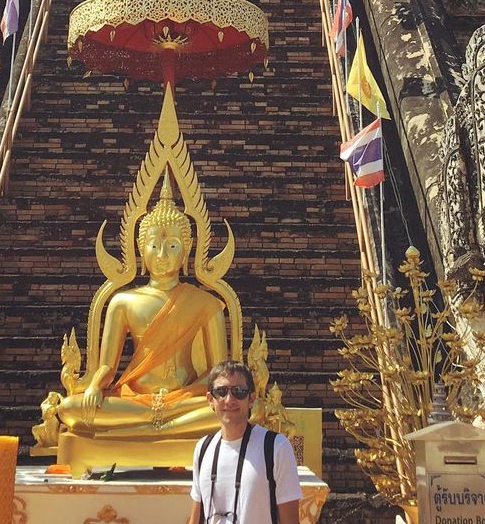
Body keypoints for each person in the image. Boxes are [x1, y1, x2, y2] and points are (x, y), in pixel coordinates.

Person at [56, 173, 227, 437]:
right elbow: (108, 368)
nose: (162, 255)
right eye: (154, 245)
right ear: (140, 247)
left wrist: (181, 397)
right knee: (69, 409)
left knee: (245, 409)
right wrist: (94, 387)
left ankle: (152, 424)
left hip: (185, 399)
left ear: (187, 249)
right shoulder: (123, 302)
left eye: (172, 246)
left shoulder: (204, 303)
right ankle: (162, 424)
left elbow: (219, 374)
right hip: (135, 399)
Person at [188, 361, 301, 524]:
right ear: (210, 399)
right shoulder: (203, 448)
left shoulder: (275, 447)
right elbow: (196, 517)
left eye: (239, 392)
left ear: (251, 399)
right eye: (221, 391)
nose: (229, 400)